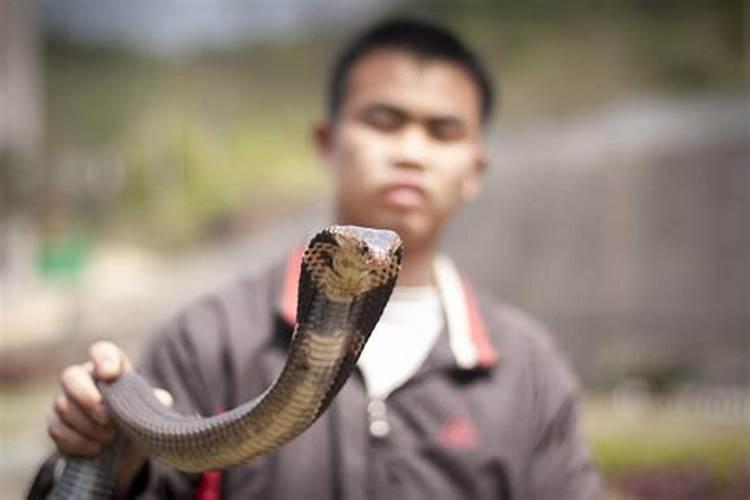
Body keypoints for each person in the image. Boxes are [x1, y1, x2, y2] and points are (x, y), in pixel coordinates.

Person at [29, 17, 604, 499]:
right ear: (327, 142)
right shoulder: (206, 340)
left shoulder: (528, 369)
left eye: (442, 131)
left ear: (475, 167)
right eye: (385, 121)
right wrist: (118, 462)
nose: (410, 152)